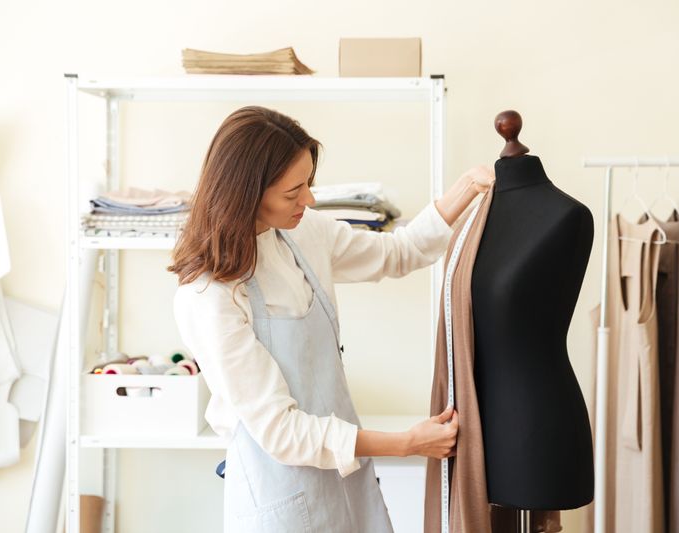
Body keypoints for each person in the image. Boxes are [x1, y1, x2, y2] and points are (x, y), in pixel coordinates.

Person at [170, 106, 493, 532]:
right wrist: (406, 444)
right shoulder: (208, 295)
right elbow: (282, 431)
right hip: (279, 493)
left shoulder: (304, 232)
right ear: (246, 193)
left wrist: (467, 188)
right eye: (293, 192)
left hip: (345, 478)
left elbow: (397, 253)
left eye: (309, 184)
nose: (309, 200)